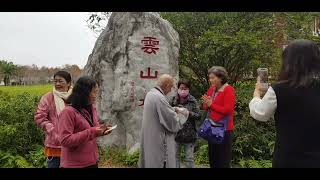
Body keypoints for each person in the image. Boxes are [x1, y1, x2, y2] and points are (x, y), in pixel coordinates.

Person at [249, 39, 320, 168]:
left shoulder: (279, 89)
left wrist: (257, 94)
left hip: (288, 159)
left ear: (288, 62)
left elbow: (260, 113)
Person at [58, 76, 112, 168]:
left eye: (96, 92)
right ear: (84, 93)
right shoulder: (68, 112)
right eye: (94, 92)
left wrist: (102, 130)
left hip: (92, 162)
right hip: (74, 165)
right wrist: (93, 132)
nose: (96, 95)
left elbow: (93, 128)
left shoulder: (91, 108)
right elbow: (65, 140)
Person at [139, 74, 189, 168]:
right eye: (171, 87)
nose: (170, 90)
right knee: (159, 163)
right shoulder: (159, 98)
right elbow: (171, 121)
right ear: (166, 85)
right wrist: (184, 114)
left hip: (151, 138)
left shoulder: (151, 94)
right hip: (158, 141)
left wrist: (173, 109)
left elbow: (163, 110)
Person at [34, 71, 72, 168]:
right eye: (55, 81)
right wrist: (52, 130)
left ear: (69, 83)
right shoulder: (48, 98)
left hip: (73, 145)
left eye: (60, 81)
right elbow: (39, 117)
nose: (57, 84)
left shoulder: (76, 97)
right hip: (55, 146)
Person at [201, 66, 236, 168]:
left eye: (213, 78)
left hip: (224, 129)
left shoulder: (228, 89)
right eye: (210, 78)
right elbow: (206, 107)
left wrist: (211, 104)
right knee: (213, 157)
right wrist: (206, 104)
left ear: (221, 78)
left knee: (223, 159)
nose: (210, 80)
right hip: (212, 127)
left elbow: (227, 110)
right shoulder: (211, 89)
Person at [170, 79, 200, 168]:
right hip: (175, 133)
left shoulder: (193, 101)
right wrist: (175, 110)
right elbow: (167, 113)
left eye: (185, 88)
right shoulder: (173, 100)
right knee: (175, 157)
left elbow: (198, 116)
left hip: (189, 134)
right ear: (178, 88)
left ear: (189, 89)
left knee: (189, 158)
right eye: (181, 88)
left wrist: (188, 113)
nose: (183, 90)